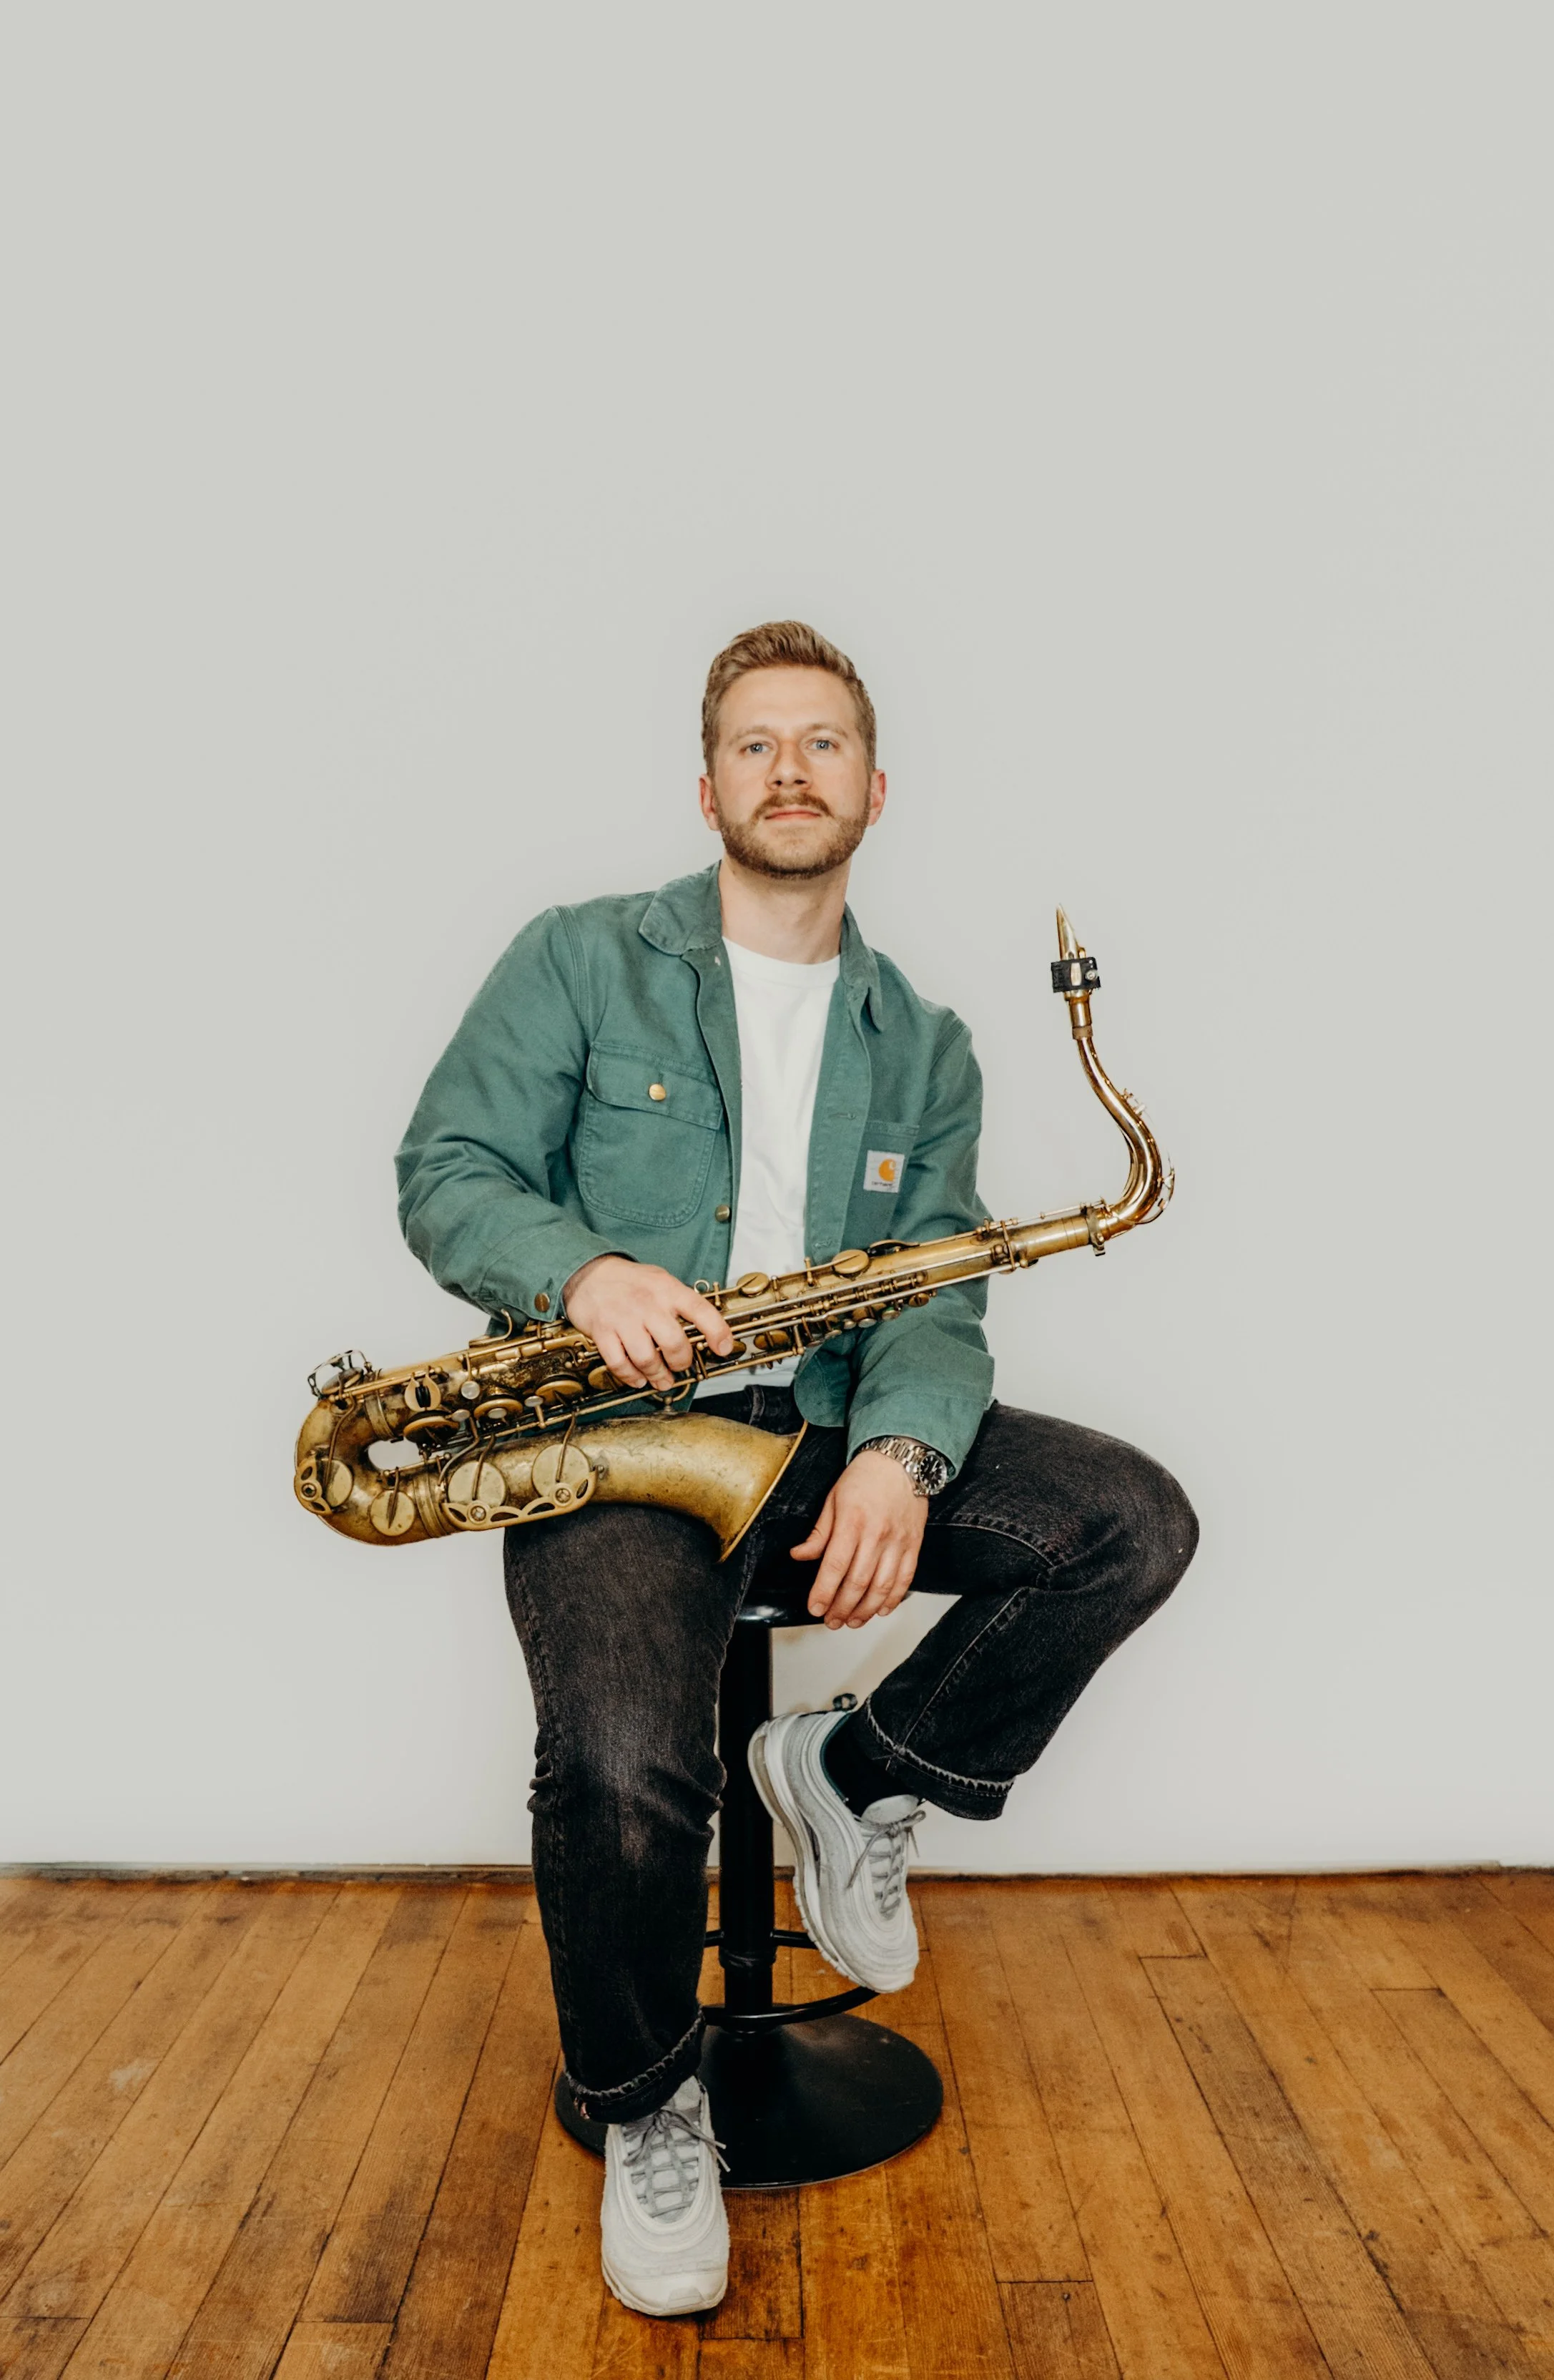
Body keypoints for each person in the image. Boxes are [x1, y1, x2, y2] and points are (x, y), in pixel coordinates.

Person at [395, 620, 1198, 2316]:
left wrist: (902, 1455)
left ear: (874, 790)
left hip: (817, 1425)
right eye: (755, 742)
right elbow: (448, 1165)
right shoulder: (575, 960)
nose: (786, 767)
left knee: (1124, 1521)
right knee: (621, 1766)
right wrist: (584, 1275)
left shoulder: (927, 1042)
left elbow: (935, 1286)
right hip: (609, 1438)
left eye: (820, 742)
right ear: (706, 786)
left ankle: (851, 1767)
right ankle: (645, 2102)